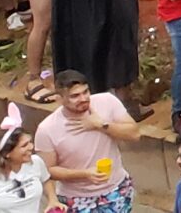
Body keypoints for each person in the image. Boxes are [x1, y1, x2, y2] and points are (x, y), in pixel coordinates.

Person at [31, 72, 139, 213]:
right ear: (59, 99)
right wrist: (84, 174)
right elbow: (47, 170)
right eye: (74, 96)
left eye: (85, 92)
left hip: (117, 189)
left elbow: (135, 134)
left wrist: (102, 125)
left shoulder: (107, 101)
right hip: (76, 198)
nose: (83, 99)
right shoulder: (47, 129)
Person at [0, 107, 53, 213]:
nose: (31, 147)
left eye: (30, 142)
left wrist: (53, 199)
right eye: (24, 145)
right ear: (7, 153)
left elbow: (46, 180)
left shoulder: (36, 162)